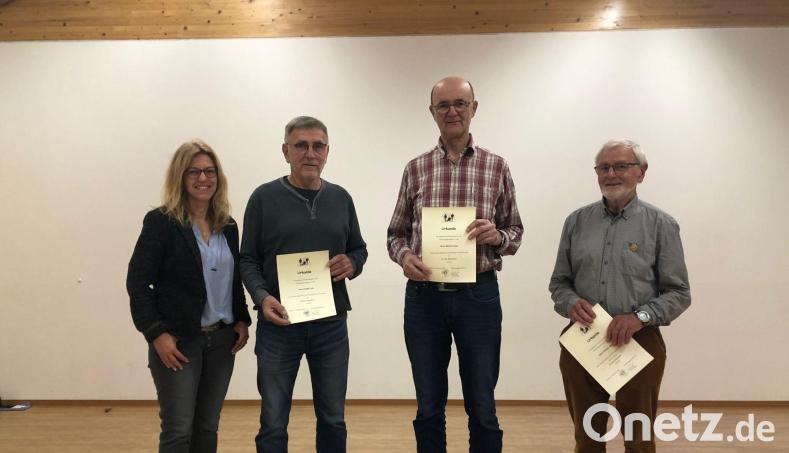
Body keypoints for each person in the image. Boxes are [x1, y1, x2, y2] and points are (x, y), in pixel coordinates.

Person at [387, 77, 524, 453]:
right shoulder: (415, 168)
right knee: (428, 405)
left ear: (474, 109)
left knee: (482, 404)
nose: (452, 111)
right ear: (432, 112)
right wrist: (405, 257)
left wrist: (498, 237)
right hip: (423, 298)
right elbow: (395, 235)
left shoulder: (496, 166)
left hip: (478, 296)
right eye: (443, 105)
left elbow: (516, 231)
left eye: (460, 104)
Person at [549, 139, 691, 453]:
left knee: (638, 440)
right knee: (587, 439)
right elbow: (559, 283)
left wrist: (640, 317)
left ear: (641, 172)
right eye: (603, 167)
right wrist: (571, 303)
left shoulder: (661, 225)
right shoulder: (576, 222)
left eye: (621, 166)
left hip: (639, 342)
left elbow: (679, 292)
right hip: (583, 342)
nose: (611, 174)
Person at [240, 116, 368, 453]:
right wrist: (262, 296)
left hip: (331, 326)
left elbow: (359, 248)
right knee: (273, 422)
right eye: (301, 146)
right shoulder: (263, 198)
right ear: (286, 151)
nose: (310, 153)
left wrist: (352, 263)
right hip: (278, 326)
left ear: (327, 152)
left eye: (318, 146)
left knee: (333, 419)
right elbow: (247, 259)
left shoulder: (342, 198)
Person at [127, 139, 252, 453]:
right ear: (180, 177)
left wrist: (241, 318)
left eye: (210, 171)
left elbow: (233, 279)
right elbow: (138, 284)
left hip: (222, 343)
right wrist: (156, 334)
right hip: (179, 343)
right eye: (193, 171)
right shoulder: (161, 223)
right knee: (178, 431)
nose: (203, 178)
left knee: (207, 428)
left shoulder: (228, 225)